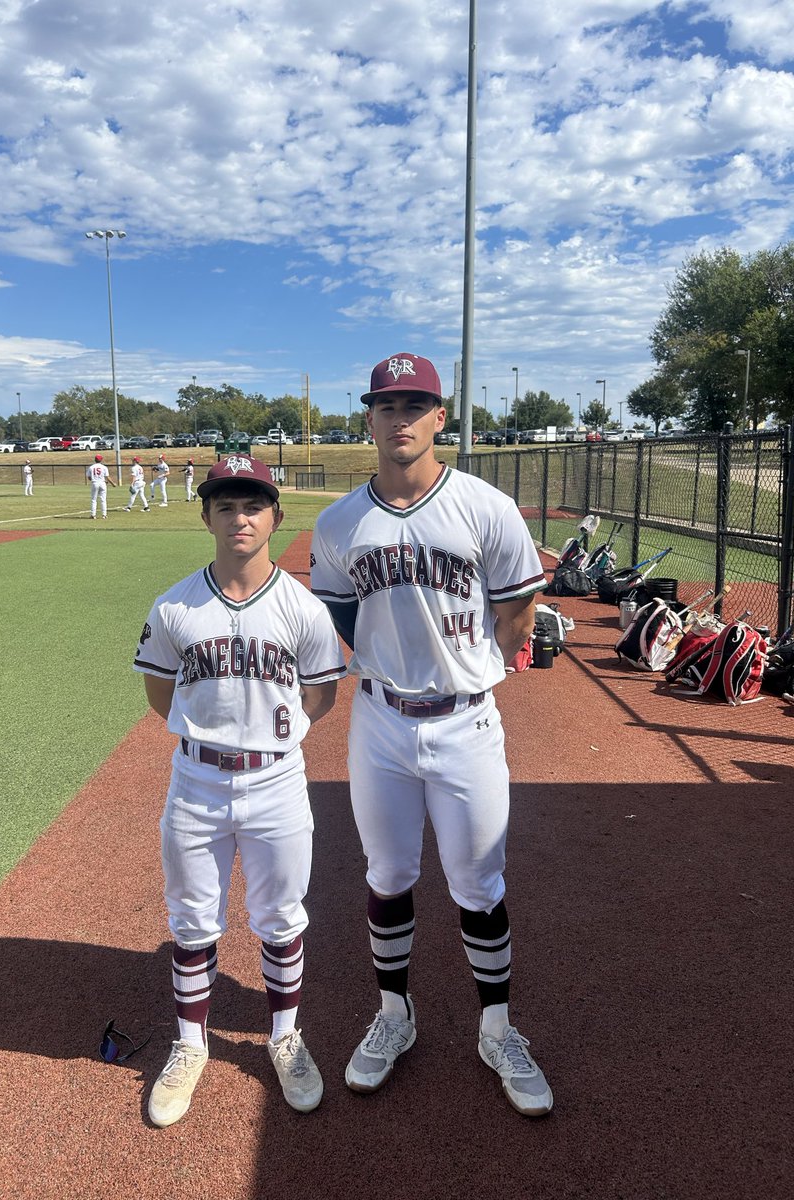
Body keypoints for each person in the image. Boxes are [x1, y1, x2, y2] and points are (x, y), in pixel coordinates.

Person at [310, 352, 553, 1117]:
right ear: (370, 416)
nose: (401, 417)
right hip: (380, 720)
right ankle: (394, 1017)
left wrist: (472, 659)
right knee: (387, 877)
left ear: (441, 416)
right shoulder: (340, 521)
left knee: (480, 885)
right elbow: (341, 618)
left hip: (465, 721)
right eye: (387, 405)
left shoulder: (485, 506)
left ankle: (497, 1028)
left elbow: (518, 612)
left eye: (416, 404)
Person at [134, 454, 346, 1126]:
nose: (239, 517)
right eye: (225, 505)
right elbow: (159, 692)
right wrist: (208, 734)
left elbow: (322, 693)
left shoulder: (302, 608)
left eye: (252, 504)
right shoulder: (174, 604)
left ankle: (285, 1036)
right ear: (207, 517)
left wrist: (275, 741)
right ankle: (191, 1044)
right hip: (196, 779)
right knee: (192, 923)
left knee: (282, 920)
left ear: (274, 517)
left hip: (276, 780)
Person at [85, 453, 116, 519]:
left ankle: (93, 515)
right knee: (103, 499)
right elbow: (107, 477)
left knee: (94, 499)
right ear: (101, 460)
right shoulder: (104, 467)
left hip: (95, 483)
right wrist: (112, 483)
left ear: (95, 460)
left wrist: (94, 479)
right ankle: (104, 515)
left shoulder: (91, 467)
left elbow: (89, 477)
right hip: (102, 483)